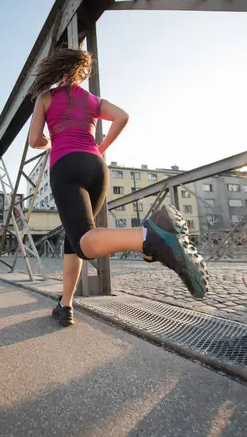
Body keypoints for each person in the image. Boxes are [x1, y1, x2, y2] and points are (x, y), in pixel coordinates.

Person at [29, 48, 208, 327]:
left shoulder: (46, 97)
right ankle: (65, 305)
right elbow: (122, 116)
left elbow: (33, 140)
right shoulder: (92, 100)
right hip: (97, 168)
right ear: (81, 73)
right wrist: (101, 148)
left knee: (85, 243)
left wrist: (51, 140)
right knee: (74, 241)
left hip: (66, 166)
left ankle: (150, 236)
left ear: (58, 68)